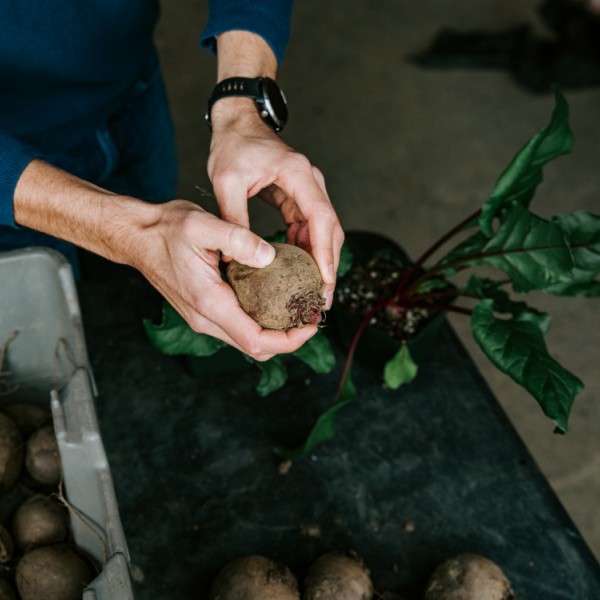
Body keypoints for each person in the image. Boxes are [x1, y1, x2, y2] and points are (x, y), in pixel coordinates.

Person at [0, 1, 344, 362]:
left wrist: (242, 104)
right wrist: (133, 231)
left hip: (128, 82)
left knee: (148, 250)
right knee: (49, 325)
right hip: (13, 176)